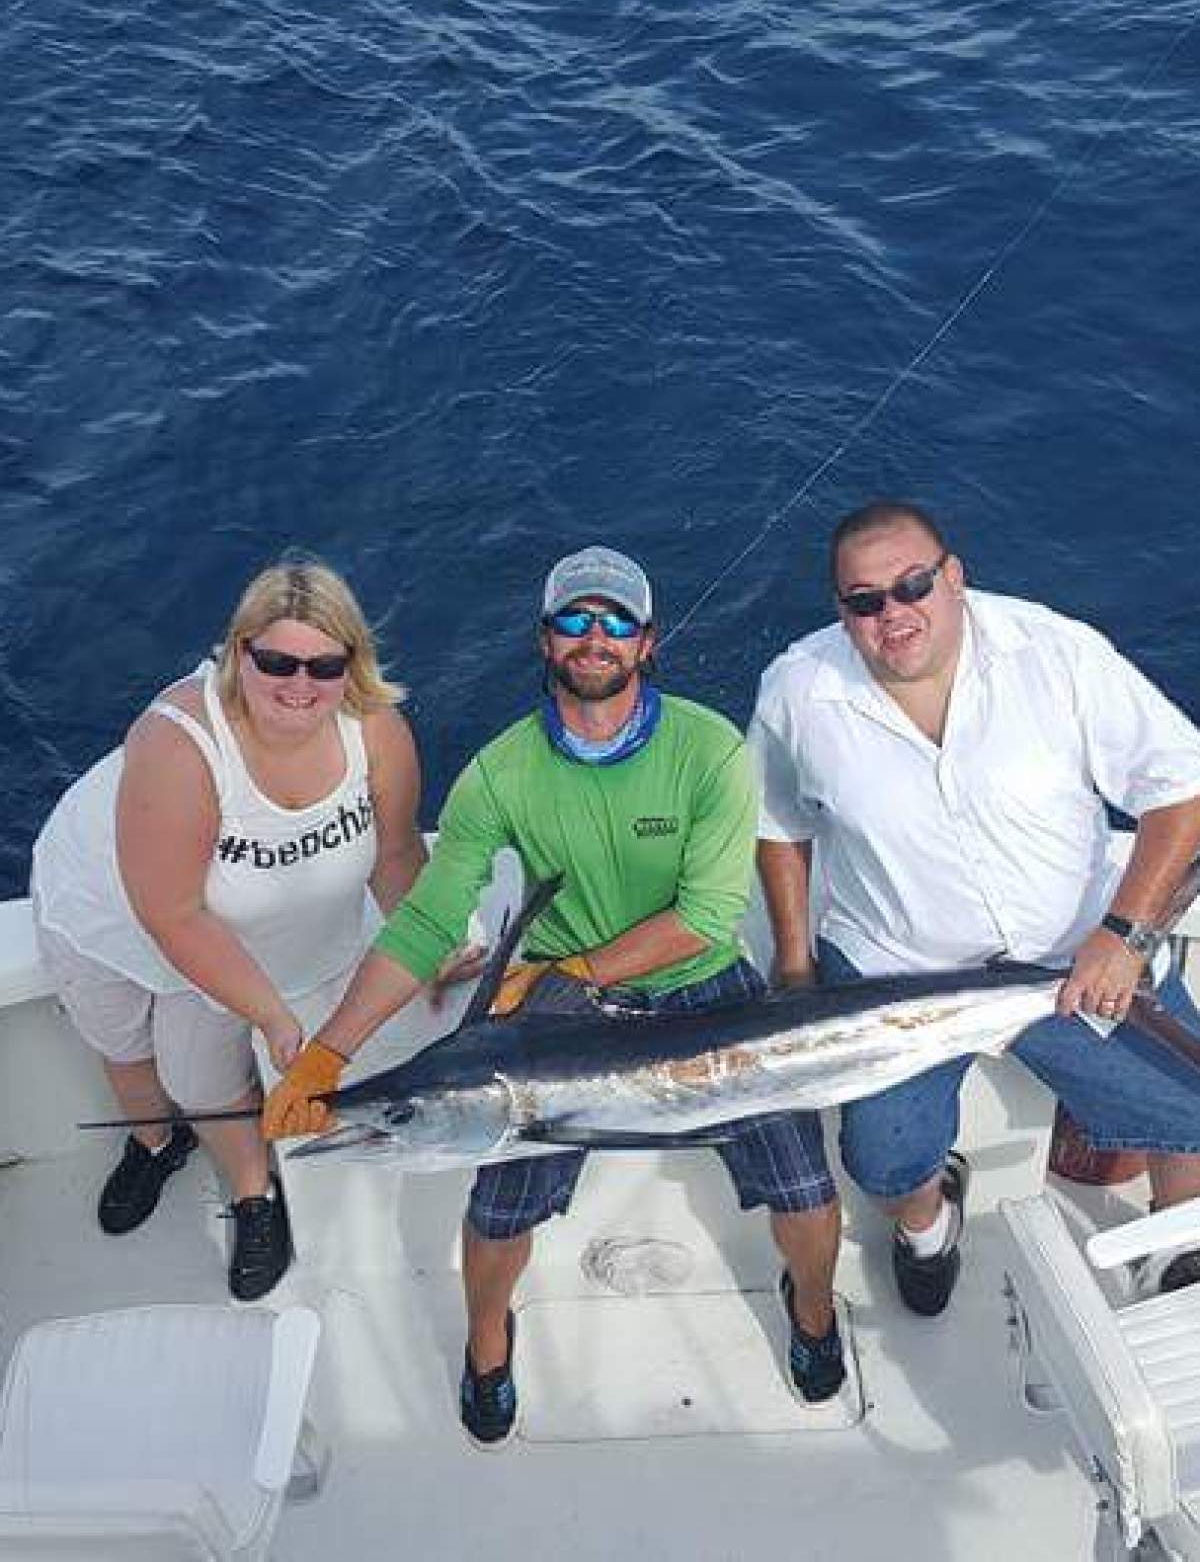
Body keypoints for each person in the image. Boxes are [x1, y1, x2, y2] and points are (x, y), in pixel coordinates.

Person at [263, 544, 845, 1447]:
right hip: (557, 1009)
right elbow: (424, 926)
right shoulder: (498, 775)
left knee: (806, 1187)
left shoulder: (710, 748)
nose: (595, 636)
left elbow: (705, 917)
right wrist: (328, 1051)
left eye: (616, 620)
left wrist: (570, 971)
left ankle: (812, 1310)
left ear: (647, 643)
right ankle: (488, 1343)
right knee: (495, 1214)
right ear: (546, 638)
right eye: (576, 618)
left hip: (698, 987)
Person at [748, 499, 1200, 1321]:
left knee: (1193, 1108)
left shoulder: (1055, 652)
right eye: (865, 600)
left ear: (953, 578)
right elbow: (778, 826)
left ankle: (1176, 1243)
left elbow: (1181, 788)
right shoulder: (797, 690)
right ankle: (929, 1223)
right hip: (900, 975)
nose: (894, 614)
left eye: (912, 585)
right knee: (881, 1163)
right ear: (842, 611)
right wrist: (793, 963)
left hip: (1076, 958)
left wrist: (1124, 936)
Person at [31, 558, 426, 1301]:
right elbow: (171, 914)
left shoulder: (376, 731)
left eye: (323, 664)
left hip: (232, 925)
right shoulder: (178, 742)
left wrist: (437, 941)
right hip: (112, 913)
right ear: (238, 651)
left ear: (353, 664)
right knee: (124, 1047)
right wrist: (276, 1019)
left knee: (202, 1077)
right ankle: (154, 1144)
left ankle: (254, 1193)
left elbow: (398, 852)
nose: (298, 685)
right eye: (275, 660)